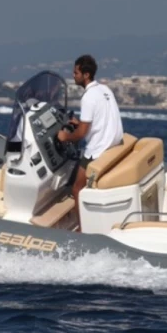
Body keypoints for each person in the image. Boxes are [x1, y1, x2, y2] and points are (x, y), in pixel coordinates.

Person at [56, 54, 124, 224]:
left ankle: (82, 229)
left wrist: (65, 137)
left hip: (98, 151)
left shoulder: (88, 97)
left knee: (77, 188)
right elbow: (99, 122)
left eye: (76, 73)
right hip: (113, 145)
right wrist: (77, 123)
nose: (73, 75)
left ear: (86, 75)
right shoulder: (105, 90)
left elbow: (81, 135)